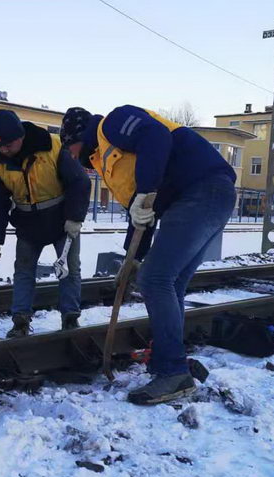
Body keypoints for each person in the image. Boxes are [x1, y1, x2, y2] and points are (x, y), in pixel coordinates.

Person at [61, 105, 236, 405]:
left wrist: (145, 190)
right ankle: (169, 361)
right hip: (206, 195)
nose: (73, 157)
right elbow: (141, 215)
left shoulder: (112, 124)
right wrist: (133, 259)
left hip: (201, 189)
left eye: (70, 148)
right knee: (170, 282)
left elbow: (155, 137)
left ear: (77, 136)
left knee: (155, 281)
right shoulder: (105, 158)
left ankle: (173, 371)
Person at [0, 109, 91, 337]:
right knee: (23, 271)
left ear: (20, 136)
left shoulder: (51, 146)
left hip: (62, 220)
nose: (4, 150)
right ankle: (20, 320)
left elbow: (79, 182)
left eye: (9, 145)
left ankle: (70, 318)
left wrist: (75, 218)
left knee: (69, 270)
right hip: (28, 224)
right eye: (0, 146)